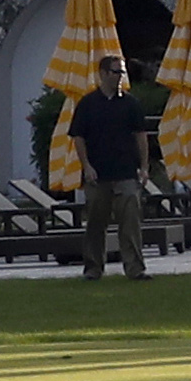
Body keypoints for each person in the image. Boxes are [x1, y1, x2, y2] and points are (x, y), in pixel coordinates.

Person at [70, 69, 154, 282]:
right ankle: (93, 268)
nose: (120, 76)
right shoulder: (88, 104)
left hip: (126, 172)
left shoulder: (130, 103)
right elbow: (78, 136)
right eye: (116, 72)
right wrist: (86, 166)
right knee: (96, 223)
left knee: (130, 222)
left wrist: (144, 167)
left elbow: (141, 136)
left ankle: (135, 269)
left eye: (122, 72)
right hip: (98, 174)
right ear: (104, 74)